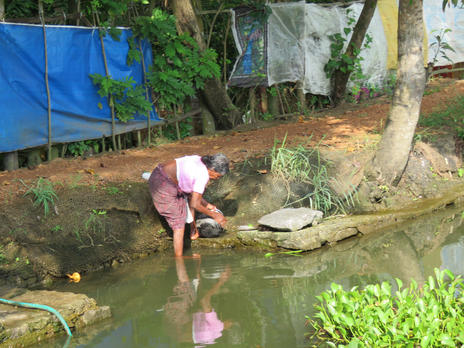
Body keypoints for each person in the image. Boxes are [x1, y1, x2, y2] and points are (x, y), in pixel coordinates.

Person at [148, 154, 229, 257]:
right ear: (212, 169)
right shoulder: (202, 176)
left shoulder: (199, 161)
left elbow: (192, 194)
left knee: (187, 203)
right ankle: (179, 259)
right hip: (162, 184)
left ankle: (193, 231)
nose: (217, 178)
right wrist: (215, 215)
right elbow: (195, 203)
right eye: (218, 176)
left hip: (162, 175)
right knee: (179, 223)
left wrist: (207, 205)